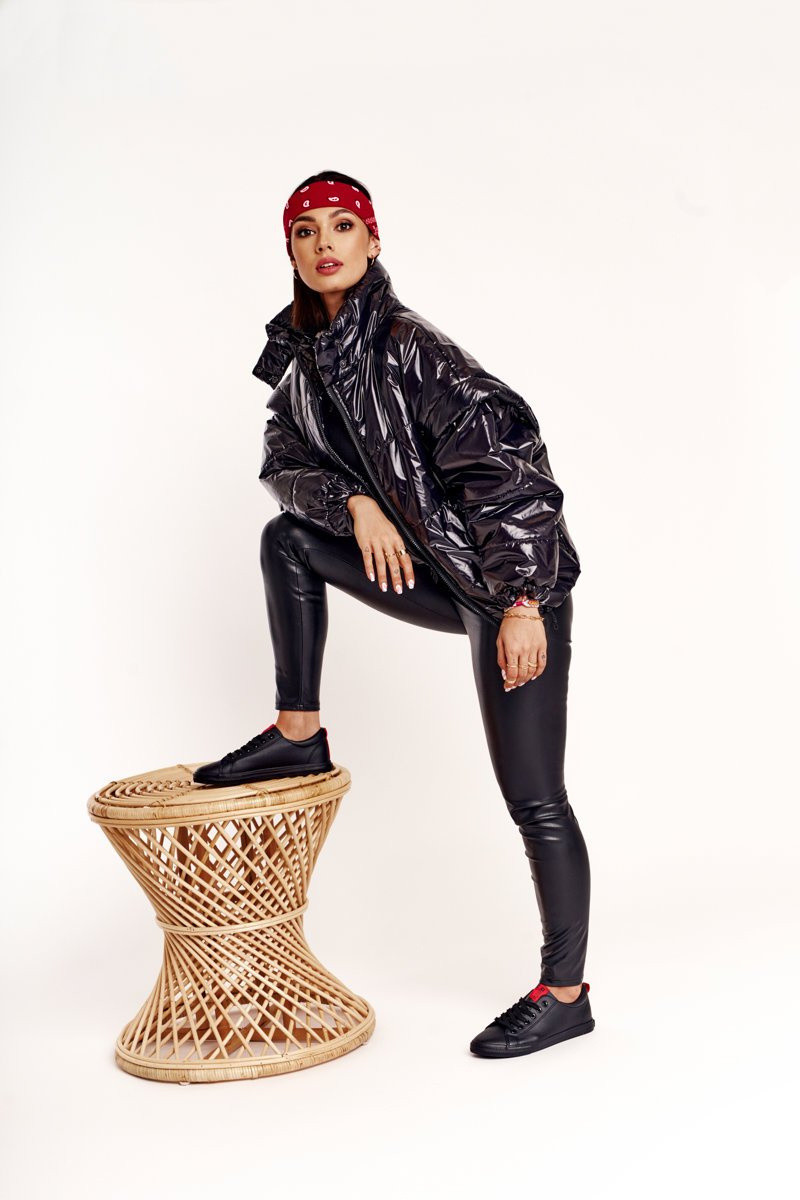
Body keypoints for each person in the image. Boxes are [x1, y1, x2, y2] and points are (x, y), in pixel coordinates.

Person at [193, 170, 594, 1059]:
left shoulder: (412, 347)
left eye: (342, 226)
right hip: (436, 573)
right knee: (287, 540)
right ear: (291, 251)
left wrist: (523, 601)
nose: (324, 243)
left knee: (535, 799)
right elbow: (281, 459)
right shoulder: (306, 360)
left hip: (510, 585)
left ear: (373, 242)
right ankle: (298, 732)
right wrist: (354, 505)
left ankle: (565, 994)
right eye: (305, 230)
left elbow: (510, 468)